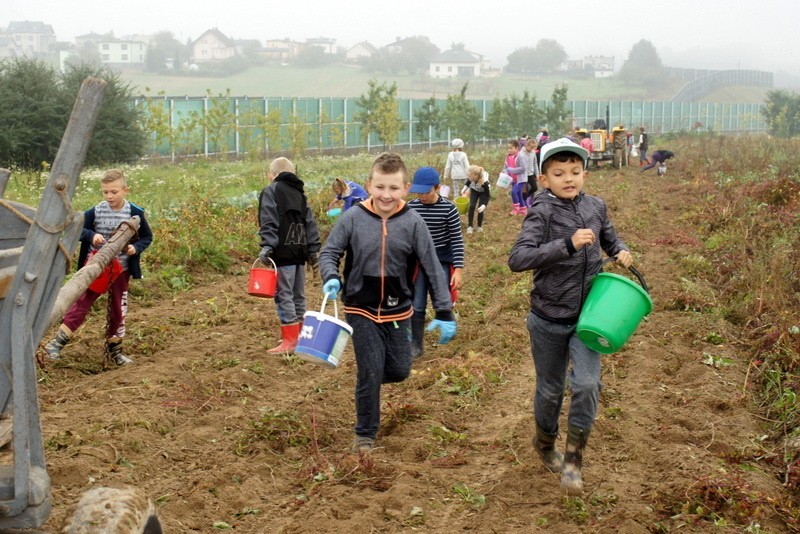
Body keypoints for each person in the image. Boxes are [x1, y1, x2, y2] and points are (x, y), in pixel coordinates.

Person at [508, 138, 633, 496]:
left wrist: (621, 250)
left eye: (575, 172)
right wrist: (567, 244)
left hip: (588, 318)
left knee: (588, 385)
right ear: (544, 179)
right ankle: (546, 444)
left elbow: (611, 238)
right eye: (559, 173)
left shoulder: (596, 206)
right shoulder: (541, 212)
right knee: (550, 390)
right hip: (547, 317)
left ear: (584, 174)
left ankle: (574, 460)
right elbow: (518, 258)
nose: (569, 179)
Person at [318, 152, 457, 452]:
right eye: (380, 187)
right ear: (368, 185)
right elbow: (330, 252)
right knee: (369, 369)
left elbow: (432, 266)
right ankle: (365, 435)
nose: (386, 195)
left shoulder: (413, 222)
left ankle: (369, 382)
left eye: (394, 188)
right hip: (360, 306)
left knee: (399, 370)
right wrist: (331, 275)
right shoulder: (352, 218)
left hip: (398, 309)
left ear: (406, 189)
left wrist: (445, 310)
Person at [44, 169, 153, 366]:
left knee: (118, 308)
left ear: (125, 190)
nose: (109, 196)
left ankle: (115, 350)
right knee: (82, 303)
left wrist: (134, 248)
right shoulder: (96, 211)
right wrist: (90, 236)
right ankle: (56, 344)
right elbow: (78, 229)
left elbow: (147, 237)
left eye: (114, 192)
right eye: (105, 192)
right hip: (97, 267)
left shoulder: (135, 212)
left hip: (122, 268)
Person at [258, 157, 321, 353]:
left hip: (283, 252)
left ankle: (290, 341)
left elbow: (268, 219)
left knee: (283, 295)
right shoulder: (300, 193)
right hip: (300, 252)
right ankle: (301, 339)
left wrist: (268, 246)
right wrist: (313, 250)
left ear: (271, 175)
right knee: (298, 295)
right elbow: (309, 222)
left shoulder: (271, 191)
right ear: (293, 172)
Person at [407, 166, 464, 359]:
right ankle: (416, 344)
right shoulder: (411, 208)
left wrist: (458, 269)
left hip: (440, 259)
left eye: (427, 192)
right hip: (418, 262)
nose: (422, 196)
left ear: (438, 188)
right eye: (418, 192)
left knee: (442, 298)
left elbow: (456, 240)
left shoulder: (449, 209)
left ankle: (447, 321)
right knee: (417, 302)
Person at [464, 165, 491, 234]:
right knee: (472, 206)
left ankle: (479, 226)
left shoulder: (485, 183)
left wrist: (484, 205)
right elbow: (468, 182)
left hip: (483, 193)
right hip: (474, 191)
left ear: (475, 176)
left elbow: (487, 195)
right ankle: (470, 226)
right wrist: (464, 189)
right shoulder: (471, 178)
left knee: (480, 208)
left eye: (469, 176)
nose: (468, 177)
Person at [504, 139, 527, 215]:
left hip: (521, 180)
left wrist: (512, 170)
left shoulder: (520, 156)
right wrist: (504, 172)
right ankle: (523, 209)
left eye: (511, 148)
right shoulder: (508, 156)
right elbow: (506, 167)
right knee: (519, 194)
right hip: (513, 179)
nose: (509, 150)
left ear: (517, 148)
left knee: (513, 192)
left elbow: (523, 168)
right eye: (508, 148)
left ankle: (516, 209)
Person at [519, 138, 540, 206]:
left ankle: (527, 198)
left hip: (530, 174)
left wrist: (537, 174)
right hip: (523, 174)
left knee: (534, 187)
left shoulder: (533, 153)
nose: (532, 149)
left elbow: (535, 164)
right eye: (531, 147)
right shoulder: (521, 153)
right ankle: (523, 204)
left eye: (533, 147)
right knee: (524, 190)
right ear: (526, 145)